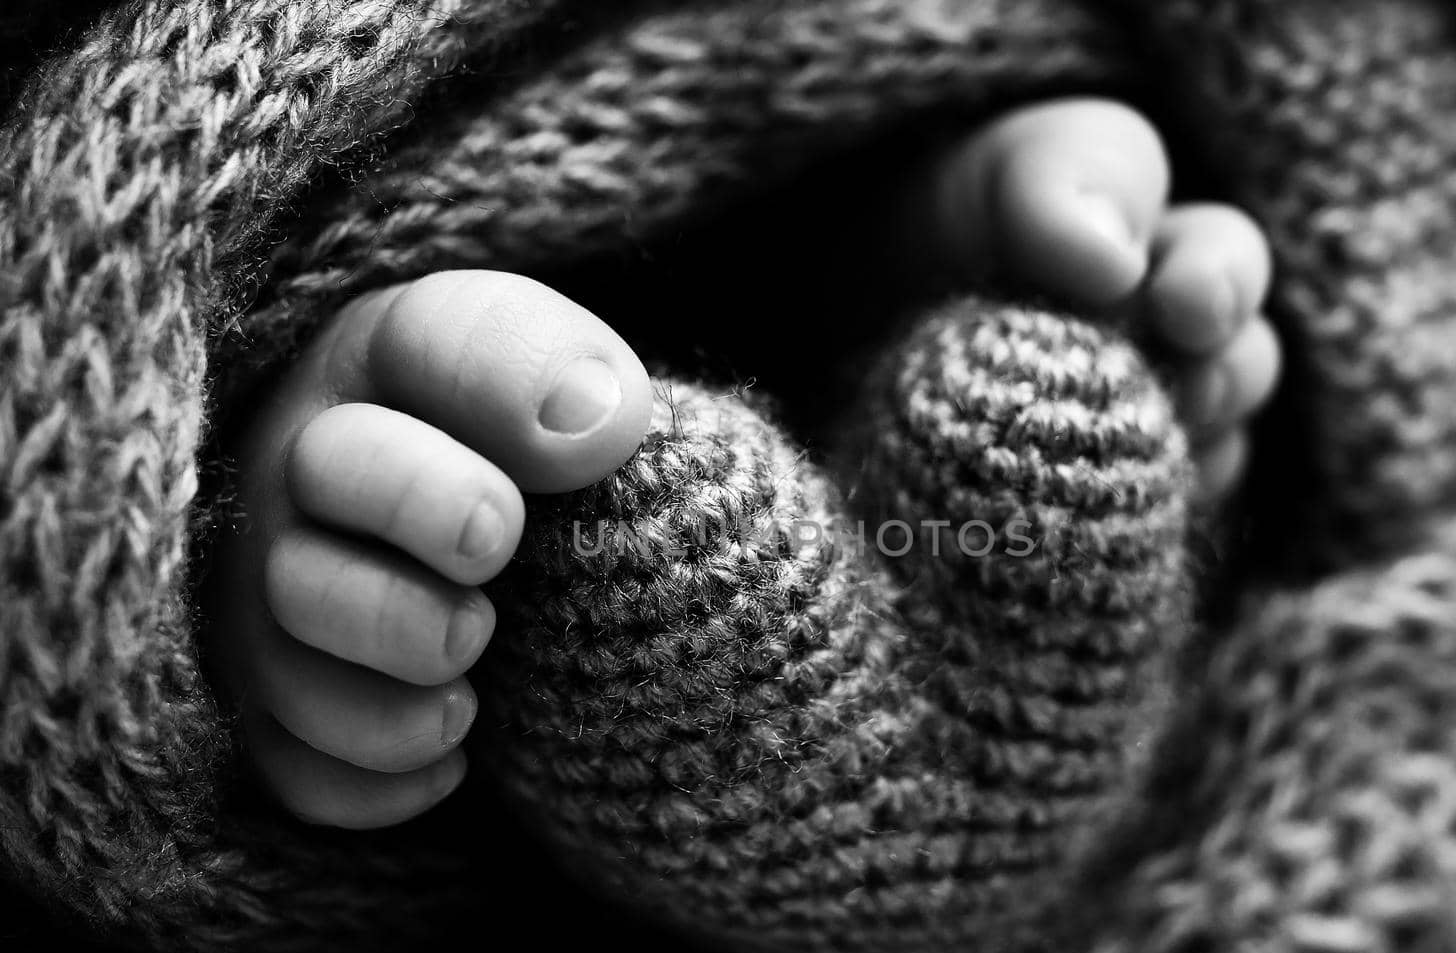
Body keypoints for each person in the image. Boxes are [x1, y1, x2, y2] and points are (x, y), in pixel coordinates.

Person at [208, 98, 1280, 829]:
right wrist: (216, 484)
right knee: (539, 490)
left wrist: (977, 193)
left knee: (1050, 368)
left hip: (840, 165)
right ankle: (306, 443)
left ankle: (938, 244)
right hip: (391, 175)